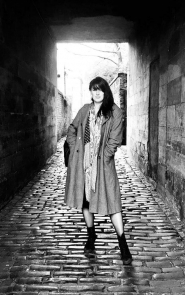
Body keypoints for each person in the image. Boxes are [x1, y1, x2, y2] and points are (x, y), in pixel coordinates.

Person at [64, 76, 132, 265]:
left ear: (106, 91)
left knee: (112, 201)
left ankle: (123, 244)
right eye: (94, 89)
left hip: (102, 163)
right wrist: (76, 149)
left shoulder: (114, 113)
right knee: (86, 201)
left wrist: (106, 155)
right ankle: (91, 235)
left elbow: (115, 139)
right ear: (90, 91)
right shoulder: (85, 110)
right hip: (83, 162)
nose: (97, 92)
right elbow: (72, 130)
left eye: (100, 89)